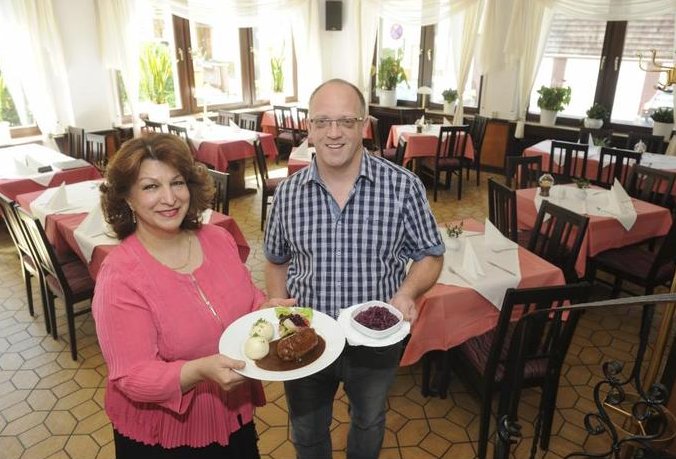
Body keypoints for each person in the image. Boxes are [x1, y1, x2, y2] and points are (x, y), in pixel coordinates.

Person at [264, 79, 445, 459]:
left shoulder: (403, 187)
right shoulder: (287, 194)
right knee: (306, 429)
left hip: (375, 342)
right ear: (309, 127)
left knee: (369, 420)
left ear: (363, 125)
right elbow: (276, 259)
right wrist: (279, 306)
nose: (334, 133)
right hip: (306, 334)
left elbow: (431, 253)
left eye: (346, 121)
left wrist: (407, 292)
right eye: (322, 121)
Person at [93, 134, 291, 459]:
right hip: (163, 436)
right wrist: (198, 371)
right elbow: (131, 375)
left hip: (231, 412)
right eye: (151, 187)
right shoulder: (120, 276)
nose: (169, 198)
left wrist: (264, 310)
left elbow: (246, 297)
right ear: (127, 197)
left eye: (177, 182)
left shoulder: (218, 238)